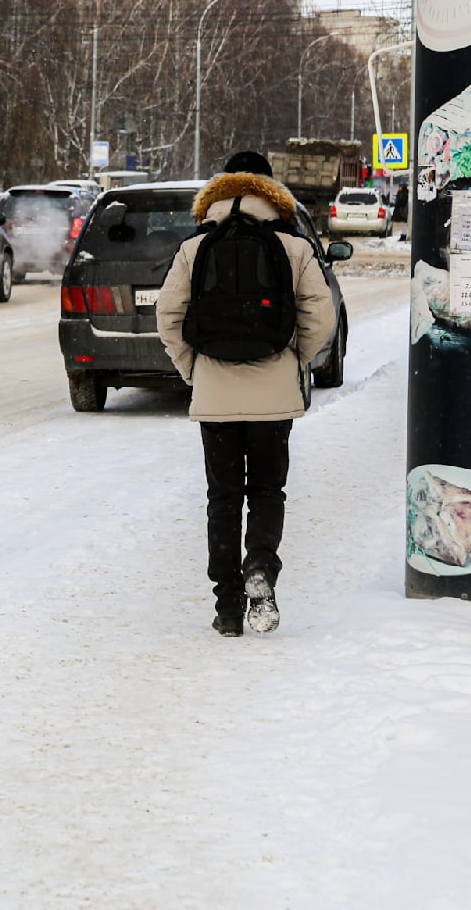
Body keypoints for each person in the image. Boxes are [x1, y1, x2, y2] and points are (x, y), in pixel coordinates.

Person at [156, 150, 336, 638]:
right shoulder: (294, 245)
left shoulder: (196, 246)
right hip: (273, 395)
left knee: (223, 497)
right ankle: (261, 567)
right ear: (270, 192)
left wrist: (193, 367)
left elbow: (168, 316)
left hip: (215, 394)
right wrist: (295, 358)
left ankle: (228, 606)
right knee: (267, 491)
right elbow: (322, 316)